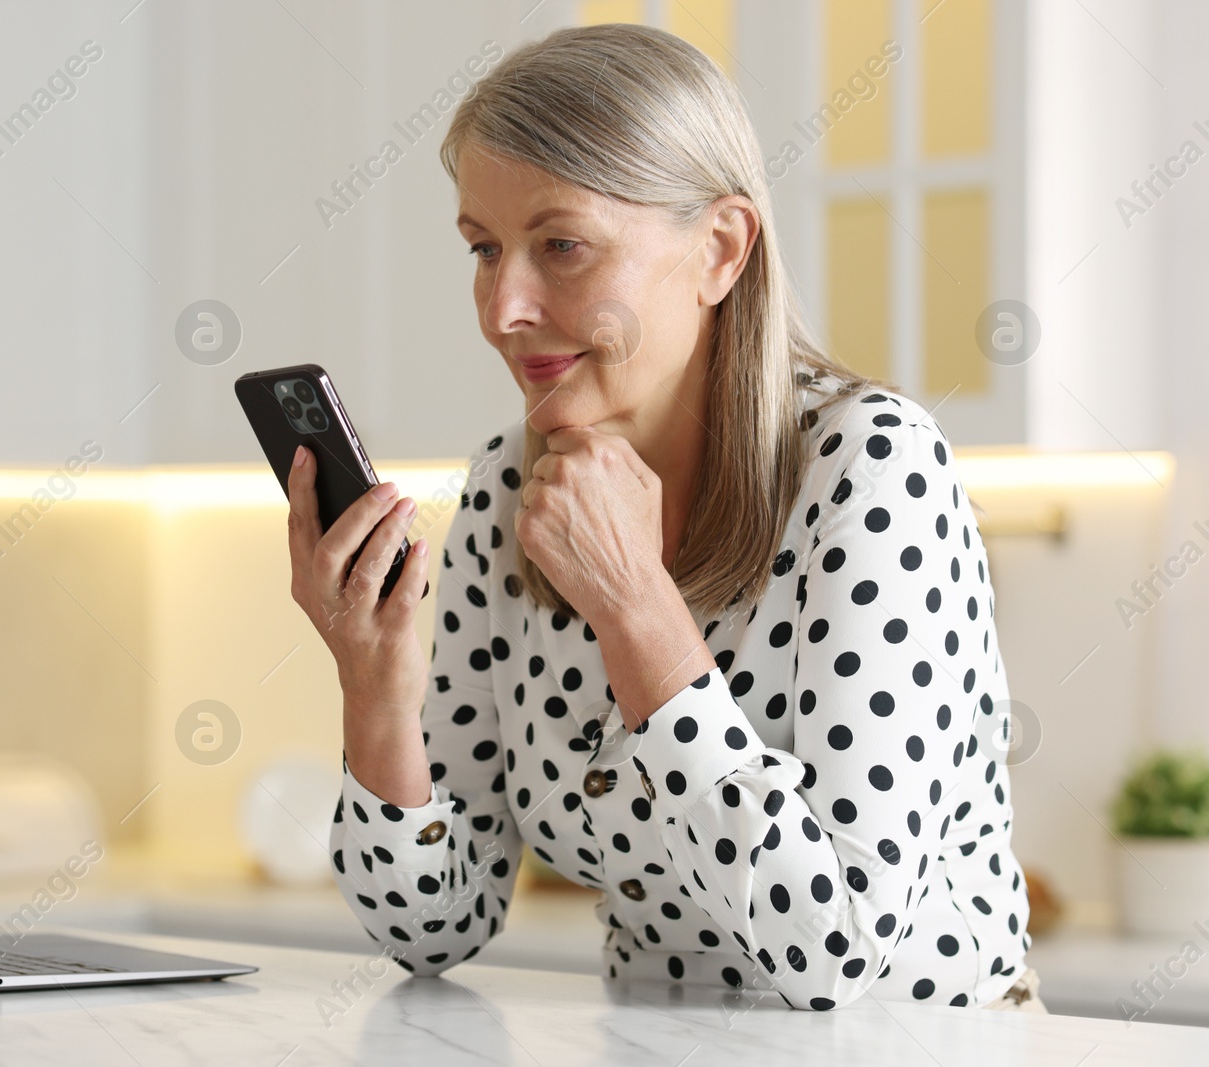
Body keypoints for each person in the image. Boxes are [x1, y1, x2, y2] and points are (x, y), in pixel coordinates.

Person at [285, 22, 1041, 1013]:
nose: (502, 306)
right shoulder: (510, 489)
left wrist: (636, 607)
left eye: (559, 244)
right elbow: (432, 925)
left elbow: (839, 948)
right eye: (482, 248)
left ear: (720, 250)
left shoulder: (869, 466)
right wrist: (374, 684)